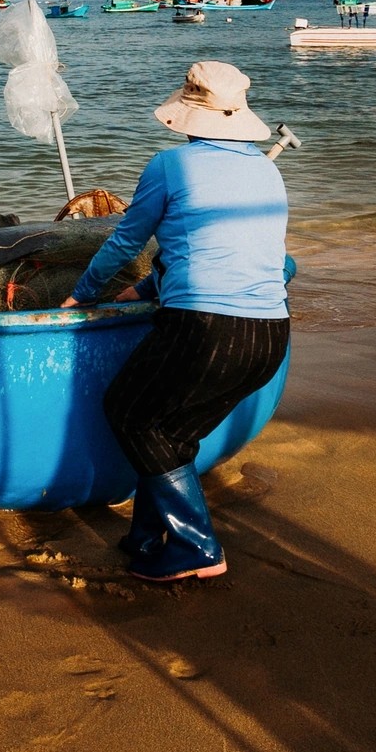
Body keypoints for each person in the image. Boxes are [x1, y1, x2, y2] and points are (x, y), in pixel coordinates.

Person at [61, 62, 289, 581]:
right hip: (270, 332)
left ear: (188, 114)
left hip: (206, 327)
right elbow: (213, 246)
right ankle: (146, 537)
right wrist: (144, 288)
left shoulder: (171, 165)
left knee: (131, 413)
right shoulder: (266, 168)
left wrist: (82, 295)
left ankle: (197, 547)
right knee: (172, 434)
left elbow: (126, 241)